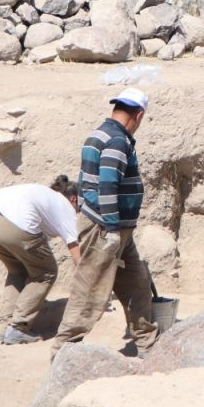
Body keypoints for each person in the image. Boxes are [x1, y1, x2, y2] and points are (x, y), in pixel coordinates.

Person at [52, 87, 159, 358]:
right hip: (106, 229)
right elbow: (108, 184)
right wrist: (111, 228)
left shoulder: (97, 134)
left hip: (117, 229)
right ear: (139, 115)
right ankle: (62, 351)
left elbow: (87, 181)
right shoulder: (117, 141)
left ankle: (146, 342)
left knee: (137, 285)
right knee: (90, 291)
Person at [0, 176, 81, 345]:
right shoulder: (66, 208)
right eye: (80, 207)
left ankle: (5, 325)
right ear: (74, 199)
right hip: (13, 222)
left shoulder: (46, 195)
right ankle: (18, 327)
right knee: (46, 272)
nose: (79, 211)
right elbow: (78, 255)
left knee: (18, 270)